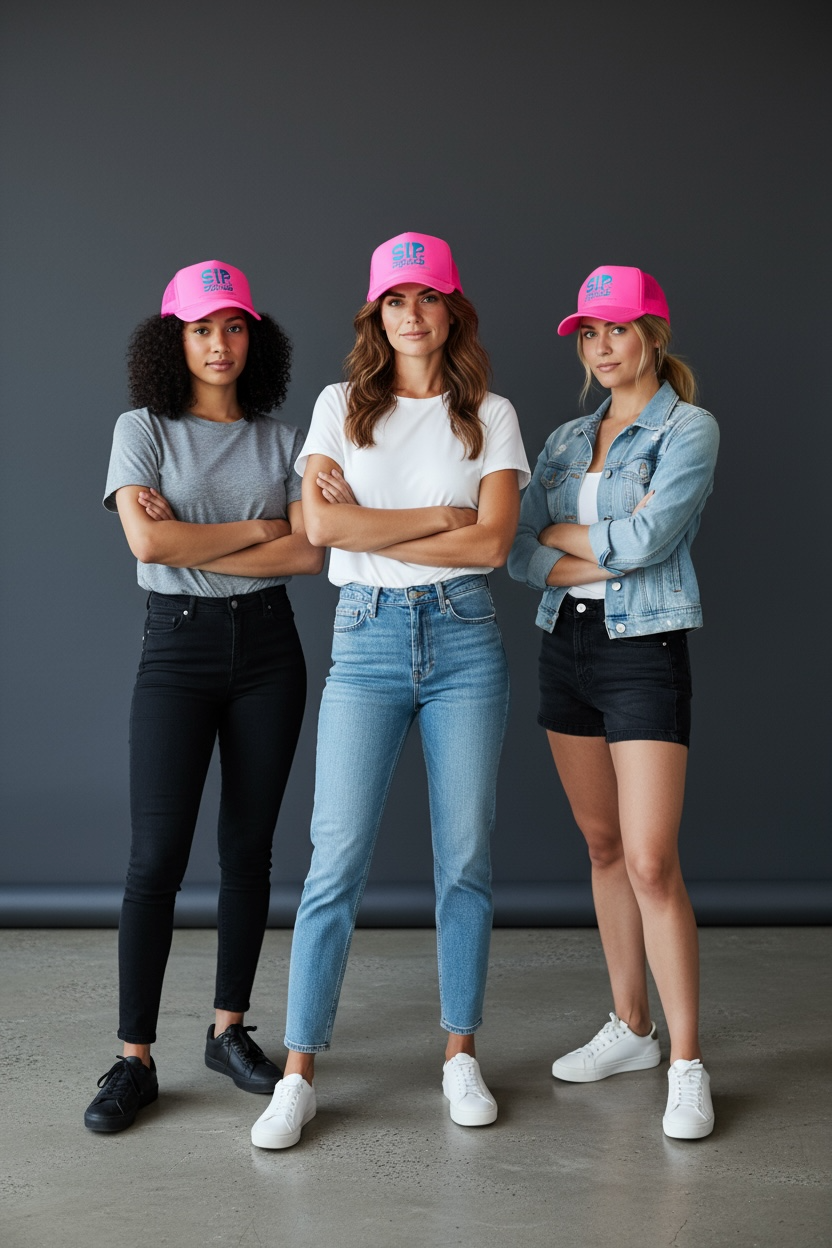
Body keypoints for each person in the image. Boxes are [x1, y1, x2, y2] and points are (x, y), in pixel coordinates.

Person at [249, 231, 530, 1149]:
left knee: (466, 861)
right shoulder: (339, 405)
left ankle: (459, 1055)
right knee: (334, 862)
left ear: (453, 310)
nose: (412, 314)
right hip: (365, 640)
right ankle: (298, 1072)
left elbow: (491, 547)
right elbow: (323, 529)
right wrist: (437, 516)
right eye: (394, 301)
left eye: (428, 298)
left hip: (464, 637)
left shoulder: (491, 413)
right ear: (378, 316)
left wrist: (385, 528)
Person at [86, 260, 323, 1133]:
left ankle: (229, 1030)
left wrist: (203, 538)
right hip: (178, 649)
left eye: (232, 326)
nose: (218, 344)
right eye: (200, 328)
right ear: (171, 340)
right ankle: (133, 1059)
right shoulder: (141, 428)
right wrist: (263, 526)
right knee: (156, 858)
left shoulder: (282, 437)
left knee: (248, 851)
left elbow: (308, 557)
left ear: (252, 336)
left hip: (269, 650)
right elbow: (147, 548)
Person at [508, 265, 719, 1140]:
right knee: (601, 847)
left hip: (643, 651)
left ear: (654, 336)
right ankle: (632, 1028)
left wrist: (564, 537)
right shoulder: (562, 440)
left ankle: (687, 1064)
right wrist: (575, 546)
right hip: (567, 648)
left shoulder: (689, 429)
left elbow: (653, 539)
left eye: (617, 330)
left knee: (649, 862)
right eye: (589, 333)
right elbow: (515, 552)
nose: (600, 347)